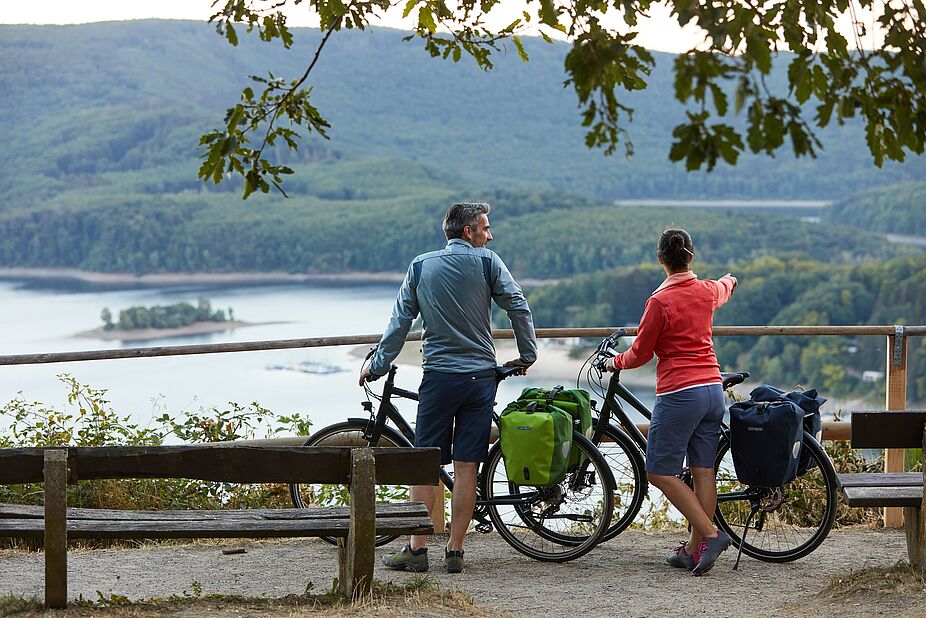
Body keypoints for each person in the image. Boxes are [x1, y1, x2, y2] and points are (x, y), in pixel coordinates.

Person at [360, 201, 537, 574]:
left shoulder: (422, 265)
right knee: (467, 465)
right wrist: (527, 353)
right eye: (485, 228)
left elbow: (399, 323)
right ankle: (455, 550)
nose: (490, 235)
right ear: (469, 231)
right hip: (480, 380)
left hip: (439, 378)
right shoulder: (489, 263)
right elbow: (518, 305)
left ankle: (417, 549)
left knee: (424, 463)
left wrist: (377, 365)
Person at [604, 228, 737, 576]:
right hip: (712, 389)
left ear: (661, 260)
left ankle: (710, 535)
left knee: (659, 471)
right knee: (702, 470)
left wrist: (613, 362)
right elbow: (725, 287)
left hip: (680, 392)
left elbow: (640, 354)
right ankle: (693, 550)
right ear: (690, 256)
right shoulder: (707, 290)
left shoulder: (659, 301)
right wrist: (730, 279)